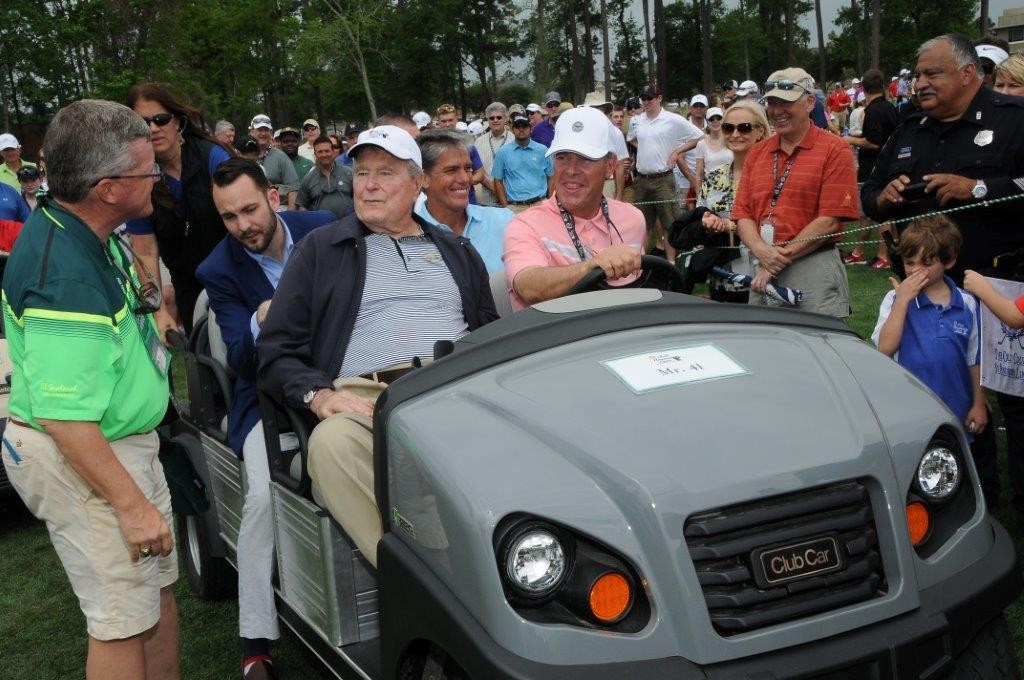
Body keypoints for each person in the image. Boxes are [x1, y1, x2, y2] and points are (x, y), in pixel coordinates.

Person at [256, 125, 496, 566]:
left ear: (418, 182)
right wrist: (320, 393)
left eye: (385, 173)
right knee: (331, 445)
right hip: (369, 403)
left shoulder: (456, 250)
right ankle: (418, 578)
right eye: (361, 172)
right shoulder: (321, 250)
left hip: (454, 391)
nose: (367, 185)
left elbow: (488, 335)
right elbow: (276, 352)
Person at [0, 99, 179, 680]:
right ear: (107, 188)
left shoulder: (80, 226)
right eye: (146, 170)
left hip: (119, 443)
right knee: (122, 623)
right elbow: (65, 417)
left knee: (155, 602)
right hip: (88, 458)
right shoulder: (63, 276)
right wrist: (131, 506)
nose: (156, 176)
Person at [861, 32, 1024, 510]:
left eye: (933, 73)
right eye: (918, 75)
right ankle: (954, 496)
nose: (921, 83)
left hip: (997, 283)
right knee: (934, 390)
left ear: (969, 73)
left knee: (1014, 403)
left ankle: (1016, 503)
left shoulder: (1013, 119)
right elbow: (869, 192)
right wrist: (884, 199)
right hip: (926, 295)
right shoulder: (910, 129)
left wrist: (976, 189)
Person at [196, 159, 334, 680]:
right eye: (229, 217)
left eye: (250, 209)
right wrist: (259, 321)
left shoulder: (322, 230)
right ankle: (255, 641)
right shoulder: (219, 270)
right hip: (268, 397)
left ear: (274, 198)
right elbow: (241, 362)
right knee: (258, 497)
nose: (243, 225)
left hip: (344, 379)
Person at [732, 67, 860, 318]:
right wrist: (762, 251)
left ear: (810, 102)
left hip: (811, 265)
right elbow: (742, 214)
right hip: (763, 264)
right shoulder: (757, 153)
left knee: (818, 350)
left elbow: (830, 220)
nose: (777, 111)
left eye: (786, 102)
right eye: (772, 103)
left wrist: (776, 259)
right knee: (764, 350)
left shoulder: (835, 149)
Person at [503, 106, 646, 312]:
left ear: (610, 166)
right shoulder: (525, 225)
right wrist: (593, 267)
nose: (571, 170)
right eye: (562, 157)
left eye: (586, 158)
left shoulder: (633, 219)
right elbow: (528, 286)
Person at [125, 82, 233, 338]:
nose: (153, 128)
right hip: (188, 289)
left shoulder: (213, 157)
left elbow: (242, 218)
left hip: (234, 278)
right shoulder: (135, 178)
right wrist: (158, 310)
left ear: (178, 121)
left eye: (161, 119)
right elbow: (145, 251)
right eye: (143, 123)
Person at [871, 215, 987, 441]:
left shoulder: (967, 303)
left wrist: (979, 403)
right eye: (909, 262)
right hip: (907, 411)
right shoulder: (894, 299)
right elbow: (884, 348)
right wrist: (902, 301)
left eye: (926, 263)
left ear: (949, 261)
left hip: (956, 408)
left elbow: (974, 360)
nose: (915, 270)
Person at [689, 101, 769, 303]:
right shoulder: (713, 177)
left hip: (766, 276)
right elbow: (701, 213)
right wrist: (706, 222)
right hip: (722, 277)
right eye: (728, 128)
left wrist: (729, 226)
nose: (735, 134)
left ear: (760, 131)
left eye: (744, 127)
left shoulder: (772, 176)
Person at [415, 129, 513, 274]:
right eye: (451, 170)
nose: (465, 179)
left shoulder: (504, 221)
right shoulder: (409, 238)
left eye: (468, 168)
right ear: (423, 179)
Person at [628, 83, 704, 261]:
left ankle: (670, 263)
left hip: (664, 178)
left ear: (659, 98)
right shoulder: (636, 120)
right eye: (643, 98)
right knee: (641, 225)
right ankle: (642, 264)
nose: (646, 102)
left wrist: (677, 151)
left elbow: (699, 137)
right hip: (642, 179)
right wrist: (648, 149)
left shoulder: (672, 119)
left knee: (669, 223)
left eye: (649, 98)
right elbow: (631, 139)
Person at [843, 69, 899, 269]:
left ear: (863, 89)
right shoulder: (890, 108)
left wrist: (848, 139)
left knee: (873, 212)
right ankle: (867, 252)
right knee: (880, 213)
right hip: (889, 164)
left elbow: (873, 142)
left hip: (873, 168)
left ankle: (882, 255)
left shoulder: (873, 111)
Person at [492, 114, 554, 213]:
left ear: (531, 129)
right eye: (517, 126)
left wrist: (550, 202)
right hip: (515, 207)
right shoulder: (503, 153)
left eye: (524, 126)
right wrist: (506, 207)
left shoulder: (543, 150)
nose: (521, 129)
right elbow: (497, 180)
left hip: (541, 204)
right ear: (512, 130)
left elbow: (551, 177)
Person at [249, 114, 299, 210]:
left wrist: (290, 215)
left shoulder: (281, 157)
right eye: (259, 130)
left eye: (266, 130)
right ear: (252, 132)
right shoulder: (244, 156)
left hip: (278, 210)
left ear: (271, 132)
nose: (263, 133)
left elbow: (294, 189)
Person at [296, 135, 354, 219]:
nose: (324, 155)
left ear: (333, 152)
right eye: (320, 152)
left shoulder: (348, 173)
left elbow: (359, 198)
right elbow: (302, 206)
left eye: (327, 151)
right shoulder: (308, 179)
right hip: (322, 227)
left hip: (348, 225)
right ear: (315, 154)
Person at [474, 101, 513, 207]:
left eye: (499, 117)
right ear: (488, 120)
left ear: (505, 119)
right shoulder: (479, 142)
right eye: (491, 118)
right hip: (485, 201)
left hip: (510, 199)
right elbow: (475, 169)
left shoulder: (514, 140)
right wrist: (492, 187)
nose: (495, 120)